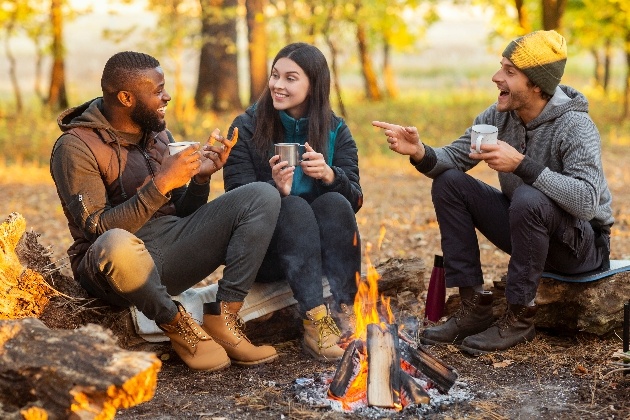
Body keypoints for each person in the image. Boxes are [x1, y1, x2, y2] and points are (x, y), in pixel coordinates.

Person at [373, 30, 613, 355]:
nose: (496, 77)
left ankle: (519, 316)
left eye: (510, 72)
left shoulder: (575, 126)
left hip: (579, 248)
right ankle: (474, 306)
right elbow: (452, 159)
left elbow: (586, 202)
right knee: (449, 182)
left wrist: (522, 165)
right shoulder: (499, 117)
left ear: (537, 84)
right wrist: (419, 151)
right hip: (528, 229)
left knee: (528, 196)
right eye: (501, 66)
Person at [50, 51, 282, 371]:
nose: (167, 96)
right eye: (158, 90)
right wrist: (159, 185)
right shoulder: (75, 147)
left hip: (169, 249)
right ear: (126, 97)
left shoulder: (158, 133)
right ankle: (177, 324)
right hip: (117, 267)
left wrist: (200, 179)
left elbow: (183, 212)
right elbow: (96, 229)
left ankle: (223, 318)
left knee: (262, 195)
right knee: (116, 242)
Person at [222, 43, 363, 361]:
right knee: (294, 206)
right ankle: (317, 324)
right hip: (266, 254)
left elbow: (354, 200)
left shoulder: (335, 130)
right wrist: (274, 190)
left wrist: (330, 175)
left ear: (313, 85)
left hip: (320, 255)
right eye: (275, 76)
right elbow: (234, 203)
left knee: (335, 203)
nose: (278, 85)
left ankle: (345, 312)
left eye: (290, 78)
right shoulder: (246, 128)